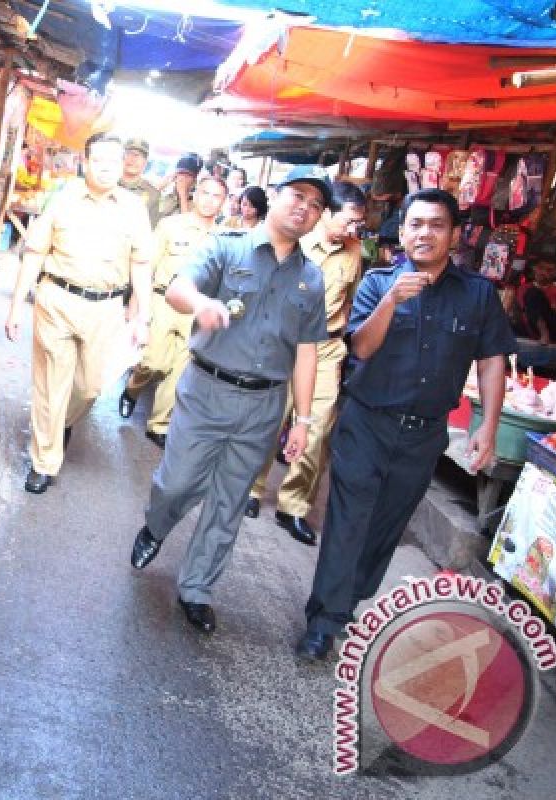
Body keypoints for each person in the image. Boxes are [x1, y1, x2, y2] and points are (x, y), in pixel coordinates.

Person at [296, 188, 515, 661]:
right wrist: (392, 300)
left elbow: (493, 359)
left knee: (384, 529)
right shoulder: (379, 283)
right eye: (415, 224)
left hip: (423, 435)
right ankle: (324, 621)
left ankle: (347, 600)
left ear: (455, 235)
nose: (424, 233)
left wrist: (488, 426)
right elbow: (361, 349)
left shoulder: (478, 296)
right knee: (349, 522)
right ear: (402, 230)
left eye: (436, 224)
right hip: (366, 423)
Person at [129, 165, 331, 635]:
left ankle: (196, 588)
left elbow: (306, 352)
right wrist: (202, 305)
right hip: (206, 390)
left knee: (229, 501)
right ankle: (156, 527)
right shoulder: (226, 245)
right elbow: (180, 288)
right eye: (297, 195)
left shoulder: (312, 279)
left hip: (263, 405)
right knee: (177, 484)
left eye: (316, 204)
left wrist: (301, 420)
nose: (305, 207)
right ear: (275, 196)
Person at [5, 132, 154, 494]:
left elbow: (142, 264)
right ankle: (44, 462)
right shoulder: (63, 199)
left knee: (89, 387)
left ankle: (63, 422)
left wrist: (142, 317)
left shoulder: (134, 208)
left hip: (106, 308)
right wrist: (15, 307)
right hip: (57, 299)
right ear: (84, 162)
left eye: (114, 162)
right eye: (99, 161)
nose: (106, 169)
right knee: (50, 385)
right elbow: (36, 252)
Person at [246, 182, 368, 545]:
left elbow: (350, 296)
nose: (352, 230)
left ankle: (294, 506)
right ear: (327, 212)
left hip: (327, 347)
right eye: (348, 221)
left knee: (316, 430)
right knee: (271, 417)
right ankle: (251, 490)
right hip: (285, 344)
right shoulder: (296, 240)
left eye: (358, 224)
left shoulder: (353, 251)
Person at [120, 175, 229, 446]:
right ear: (194, 194)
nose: (209, 200)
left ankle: (159, 424)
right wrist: (134, 312)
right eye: (204, 193)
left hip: (197, 309)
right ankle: (133, 388)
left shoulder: (225, 237)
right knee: (152, 362)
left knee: (179, 369)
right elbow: (147, 267)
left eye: (216, 196)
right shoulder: (172, 226)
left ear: (224, 202)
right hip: (162, 301)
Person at [518, 258, 556, 344]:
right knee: (533, 293)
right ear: (534, 268)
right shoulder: (524, 288)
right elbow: (525, 308)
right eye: (540, 268)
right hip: (531, 325)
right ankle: (544, 333)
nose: (543, 272)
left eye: (549, 270)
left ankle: (546, 334)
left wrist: (550, 307)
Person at [120, 138, 163, 227]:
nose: (133, 159)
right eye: (129, 154)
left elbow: (151, 228)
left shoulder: (153, 194)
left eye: (139, 155)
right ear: (122, 157)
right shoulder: (108, 182)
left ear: (145, 162)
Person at [158, 153, 202, 220]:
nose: (182, 178)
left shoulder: (195, 204)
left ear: (194, 181)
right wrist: (161, 186)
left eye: (187, 175)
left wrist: (183, 195)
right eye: (180, 173)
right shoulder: (165, 194)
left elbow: (187, 224)